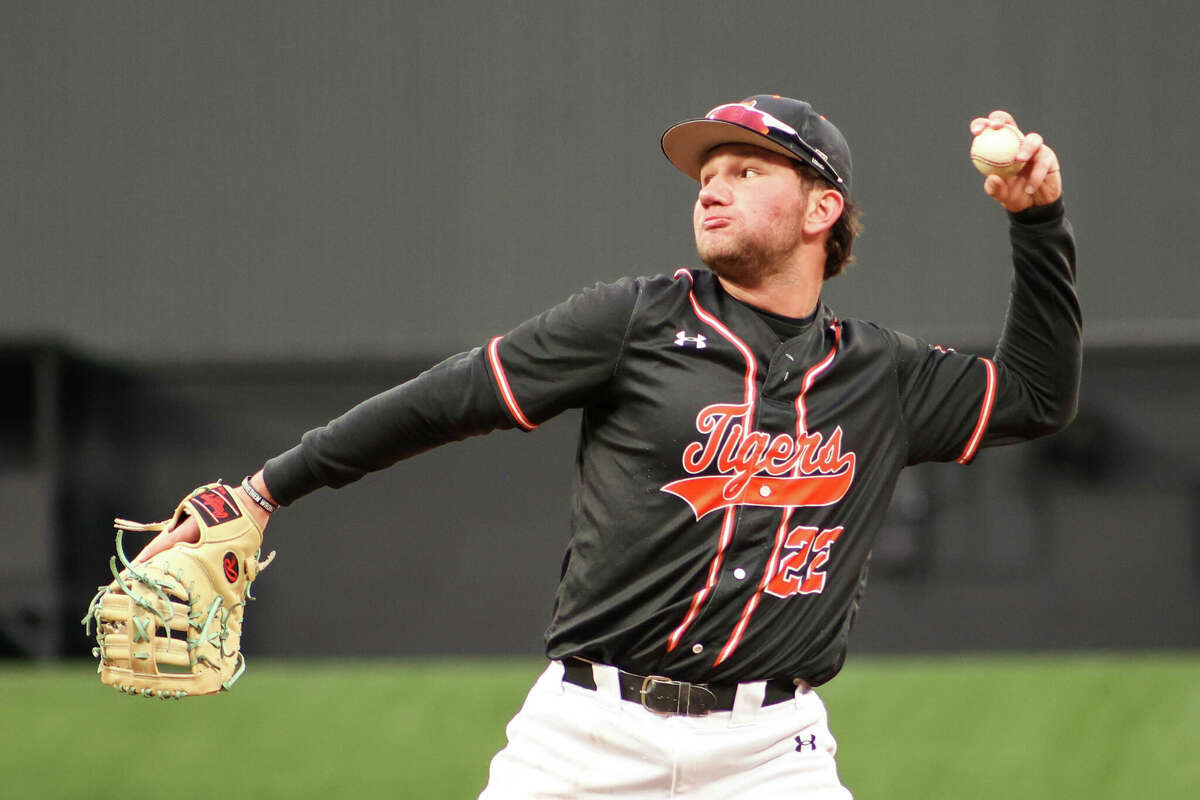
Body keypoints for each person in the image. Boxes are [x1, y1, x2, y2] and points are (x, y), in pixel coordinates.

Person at [134, 95, 1079, 798]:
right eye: (706, 172)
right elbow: (444, 401)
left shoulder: (880, 375)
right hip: (585, 738)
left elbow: (1035, 396)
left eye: (747, 170)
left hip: (771, 754)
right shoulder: (633, 321)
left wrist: (1037, 223)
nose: (712, 184)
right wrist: (261, 491)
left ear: (821, 209)